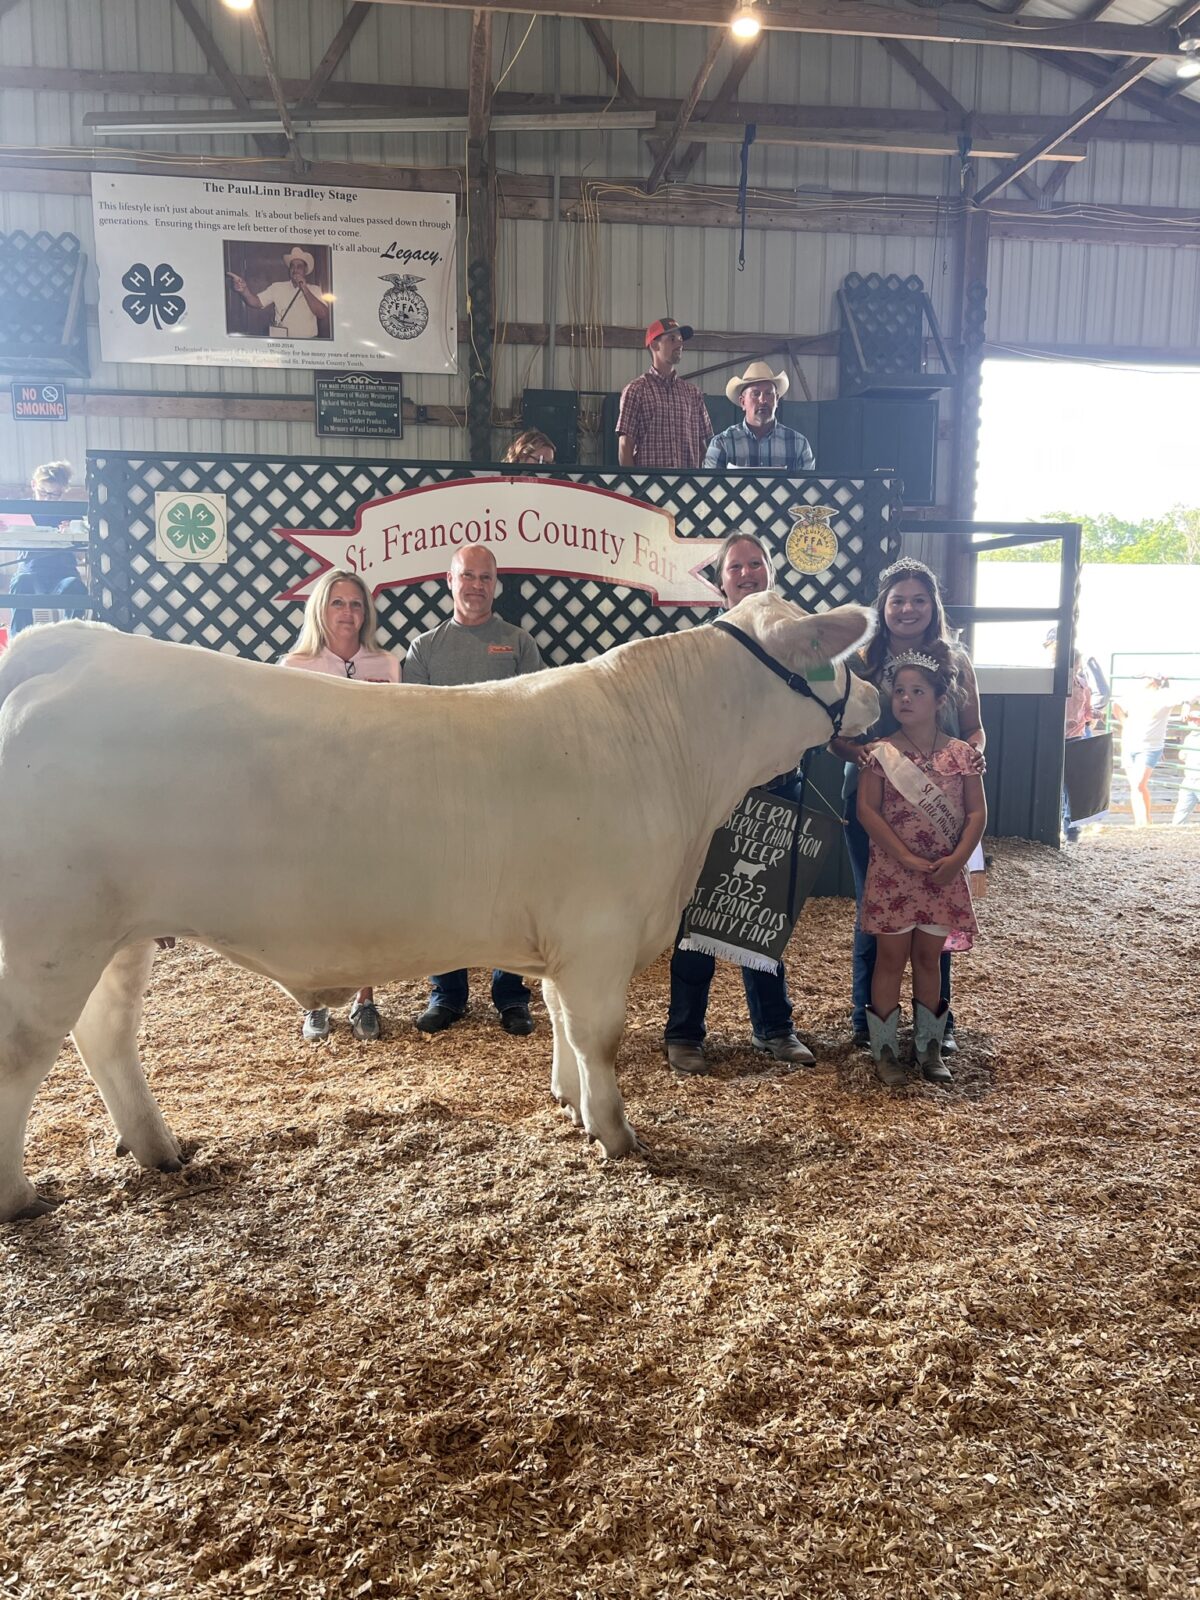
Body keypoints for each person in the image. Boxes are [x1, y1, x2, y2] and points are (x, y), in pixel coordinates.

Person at [663, 529, 816, 1076]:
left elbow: (830, 697)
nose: (747, 574)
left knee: (761, 918)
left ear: (770, 574)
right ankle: (683, 1033)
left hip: (779, 791)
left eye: (756, 565)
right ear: (720, 581)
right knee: (698, 921)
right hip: (718, 798)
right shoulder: (703, 647)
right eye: (736, 568)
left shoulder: (801, 640)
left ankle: (775, 1029)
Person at [829, 556, 985, 1053]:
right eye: (898, 600)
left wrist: (975, 755)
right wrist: (852, 752)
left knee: (935, 914)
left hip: (941, 798)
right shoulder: (859, 662)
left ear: (933, 606)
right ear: (884, 606)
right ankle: (868, 1020)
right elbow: (835, 731)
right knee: (875, 912)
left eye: (919, 599)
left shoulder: (956, 661)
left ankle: (936, 1027)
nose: (908, 608)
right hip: (875, 800)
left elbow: (975, 725)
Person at [404, 545, 542, 1037]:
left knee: (509, 892)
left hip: (507, 791)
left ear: (496, 584)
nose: (476, 585)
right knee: (445, 892)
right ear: (450, 580)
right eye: (468, 576)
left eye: (485, 577)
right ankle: (447, 993)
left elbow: (535, 718)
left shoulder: (519, 643)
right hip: (443, 794)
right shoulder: (425, 649)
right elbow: (413, 724)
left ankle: (510, 995)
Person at [281, 567, 400, 1042]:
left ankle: (365, 1000)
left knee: (366, 904)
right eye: (338, 603)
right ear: (320, 609)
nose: (347, 613)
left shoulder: (387, 665)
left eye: (355, 604)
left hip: (372, 803)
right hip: (314, 806)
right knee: (315, 906)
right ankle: (314, 1001)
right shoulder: (295, 667)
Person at [857, 652, 987, 1088]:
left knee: (929, 959)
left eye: (917, 692)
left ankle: (930, 1048)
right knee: (889, 959)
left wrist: (957, 861)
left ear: (940, 698)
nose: (906, 699)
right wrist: (907, 858)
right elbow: (868, 812)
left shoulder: (962, 755)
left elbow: (976, 815)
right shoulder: (880, 754)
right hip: (894, 874)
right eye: (899, 692)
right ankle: (886, 1050)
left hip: (943, 876)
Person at [616, 317, 713, 470]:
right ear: (654, 345)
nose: (680, 344)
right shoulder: (636, 391)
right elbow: (625, 446)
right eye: (672, 339)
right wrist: (633, 486)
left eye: (681, 340)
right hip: (648, 489)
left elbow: (703, 448)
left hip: (687, 489)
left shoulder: (693, 394)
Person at [6, 461, 89, 636]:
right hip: (31, 571)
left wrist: (72, 533)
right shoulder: (21, 510)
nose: (47, 498)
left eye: (54, 495)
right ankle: (19, 641)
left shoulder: (70, 513)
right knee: (21, 583)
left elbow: (82, 556)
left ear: (62, 492)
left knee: (77, 588)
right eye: (43, 492)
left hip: (63, 574)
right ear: (33, 485)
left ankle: (71, 639)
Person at [703, 361, 815, 472]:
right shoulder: (722, 444)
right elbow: (709, 488)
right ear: (742, 402)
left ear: (777, 399)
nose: (763, 400)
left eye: (768, 393)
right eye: (756, 394)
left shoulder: (798, 444)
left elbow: (809, 488)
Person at [1113, 675, 1180, 827]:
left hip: (1150, 746)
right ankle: (1141, 821)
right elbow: (1117, 706)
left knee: (1138, 784)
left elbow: (1186, 696)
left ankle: (1145, 821)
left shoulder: (1164, 696)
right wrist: (1125, 723)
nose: (1142, 679)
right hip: (1130, 743)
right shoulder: (1134, 694)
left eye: (1146, 676)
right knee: (1135, 786)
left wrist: (1187, 703)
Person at [228, 247, 330, 340]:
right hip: (283, 343)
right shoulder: (277, 287)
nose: (295, 270)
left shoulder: (315, 289)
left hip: (309, 343)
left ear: (305, 270)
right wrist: (244, 290)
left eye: (299, 266)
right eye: (292, 266)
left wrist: (304, 288)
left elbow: (322, 314)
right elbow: (256, 302)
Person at [1172, 701, 1200, 826]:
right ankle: (1175, 832)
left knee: (1182, 809)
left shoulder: (1190, 737)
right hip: (1189, 778)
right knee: (1181, 810)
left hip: (1196, 778)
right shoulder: (1189, 737)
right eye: (1192, 720)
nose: (1195, 722)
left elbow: (1182, 755)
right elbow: (1182, 755)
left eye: (1197, 720)